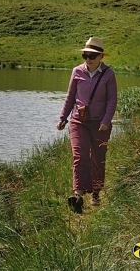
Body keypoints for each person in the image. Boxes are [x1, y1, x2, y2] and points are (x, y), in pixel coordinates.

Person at [56, 36, 118, 214]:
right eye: (85, 56)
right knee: (79, 156)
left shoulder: (108, 74)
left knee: (98, 158)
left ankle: (96, 193)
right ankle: (78, 195)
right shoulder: (76, 72)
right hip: (78, 121)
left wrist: (106, 121)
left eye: (92, 56)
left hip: (100, 124)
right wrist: (63, 118)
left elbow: (112, 99)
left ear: (101, 57)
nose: (88, 60)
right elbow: (70, 97)